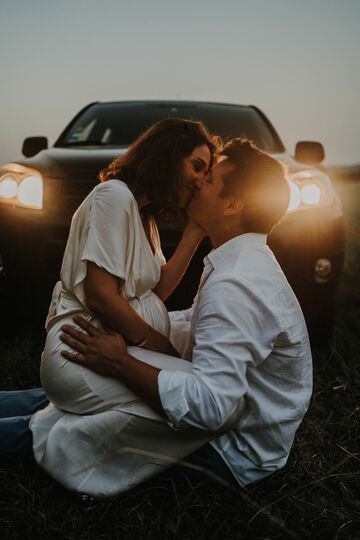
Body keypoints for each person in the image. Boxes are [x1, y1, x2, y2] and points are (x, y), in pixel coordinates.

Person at [28, 138, 313, 495]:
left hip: (229, 451)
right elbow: (199, 324)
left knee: (66, 420)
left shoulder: (235, 284)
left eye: (209, 180)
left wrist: (120, 361)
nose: (198, 182)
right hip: (232, 422)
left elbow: (211, 407)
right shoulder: (242, 261)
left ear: (233, 204)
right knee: (70, 389)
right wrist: (140, 336)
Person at [39, 117, 219, 419]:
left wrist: (194, 233)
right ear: (169, 156)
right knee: (197, 395)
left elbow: (154, 291)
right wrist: (160, 347)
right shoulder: (114, 196)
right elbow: (100, 295)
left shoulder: (142, 214)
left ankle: (36, 419)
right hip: (85, 350)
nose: (201, 181)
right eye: (197, 166)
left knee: (190, 393)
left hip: (115, 348)